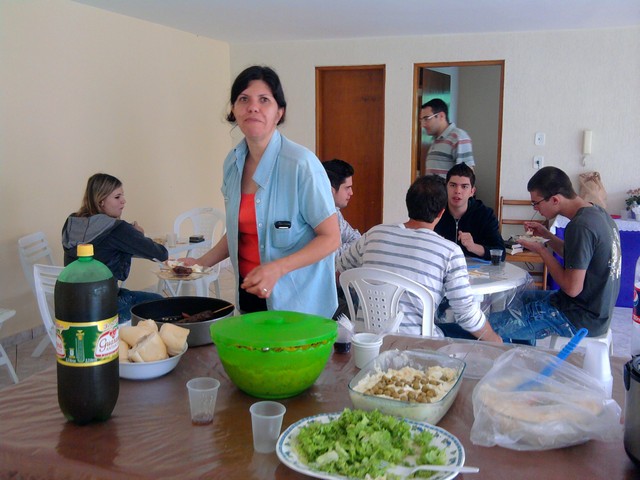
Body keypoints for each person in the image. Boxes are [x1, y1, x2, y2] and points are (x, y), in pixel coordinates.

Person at [184, 66, 340, 317]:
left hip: (297, 303)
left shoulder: (300, 164)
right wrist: (199, 264)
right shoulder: (233, 163)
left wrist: (277, 268)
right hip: (250, 294)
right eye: (244, 99)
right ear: (234, 110)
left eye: (264, 100)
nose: (253, 107)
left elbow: (331, 238)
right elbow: (237, 232)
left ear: (279, 113)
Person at [337, 175, 502, 343]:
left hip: (366, 341)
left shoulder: (374, 234)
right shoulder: (450, 252)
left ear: (408, 204)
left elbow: (340, 267)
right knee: (488, 332)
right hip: (418, 345)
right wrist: (496, 341)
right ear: (441, 212)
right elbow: (465, 313)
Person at [489, 166, 621, 341]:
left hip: (580, 317)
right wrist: (547, 236)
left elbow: (572, 288)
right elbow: (577, 256)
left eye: (536, 203)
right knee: (518, 298)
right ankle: (522, 351)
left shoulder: (580, 226)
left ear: (555, 200)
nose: (536, 209)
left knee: (489, 327)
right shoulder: (597, 212)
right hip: (594, 311)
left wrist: (541, 250)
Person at [62, 173, 168, 324]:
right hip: (106, 308)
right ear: (101, 201)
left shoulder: (72, 223)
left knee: (152, 299)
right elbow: (161, 254)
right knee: (163, 305)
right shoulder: (117, 229)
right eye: (117, 197)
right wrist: (139, 235)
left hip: (72, 308)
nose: (123, 201)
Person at [434, 163, 504, 260]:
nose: (458, 191)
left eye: (464, 186)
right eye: (453, 185)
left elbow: (500, 252)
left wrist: (473, 247)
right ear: (446, 188)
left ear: (472, 192)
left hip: (475, 268)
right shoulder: (435, 211)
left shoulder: (485, 214)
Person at [420, 98, 475, 177]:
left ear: (441, 116)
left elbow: (466, 176)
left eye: (426, 119)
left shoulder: (458, 137)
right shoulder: (435, 140)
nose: (423, 125)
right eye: (421, 120)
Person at [322, 159, 361, 257]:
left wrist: (338, 248)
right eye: (347, 187)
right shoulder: (315, 216)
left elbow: (357, 240)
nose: (351, 193)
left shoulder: (335, 211)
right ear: (330, 190)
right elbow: (328, 255)